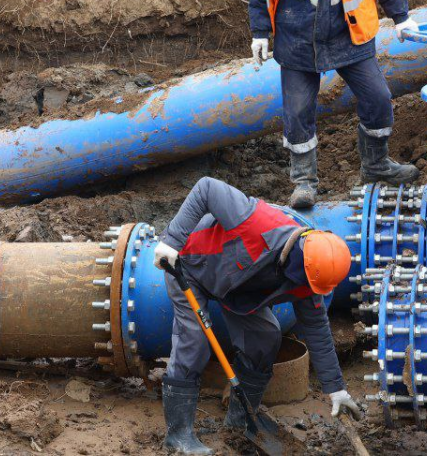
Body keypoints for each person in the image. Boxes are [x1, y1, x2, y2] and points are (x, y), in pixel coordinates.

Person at [248, 0, 420, 210]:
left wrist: (401, 16)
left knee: (378, 98)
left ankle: (375, 166)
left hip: (348, 31)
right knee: (297, 112)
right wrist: (260, 32)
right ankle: (304, 183)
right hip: (297, 36)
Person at [152, 177, 360, 455]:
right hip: (190, 266)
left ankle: (240, 423)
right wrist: (172, 241)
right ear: (298, 262)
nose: (309, 293)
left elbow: (318, 329)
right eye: (308, 285)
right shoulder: (255, 221)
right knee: (195, 341)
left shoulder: (309, 277)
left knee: (265, 337)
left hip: (236, 288)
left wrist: (336, 389)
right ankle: (177, 436)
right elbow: (206, 187)